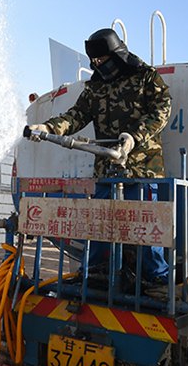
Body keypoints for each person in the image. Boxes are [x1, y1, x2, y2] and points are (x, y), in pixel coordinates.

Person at [30, 27, 172, 284]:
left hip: (141, 168)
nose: (98, 65)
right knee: (99, 223)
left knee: (144, 229)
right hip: (107, 168)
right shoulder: (95, 88)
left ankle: (156, 279)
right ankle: (96, 271)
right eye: (94, 62)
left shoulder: (146, 78)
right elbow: (76, 116)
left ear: (117, 55)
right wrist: (48, 127)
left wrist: (132, 138)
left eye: (102, 60)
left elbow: (161, 111)